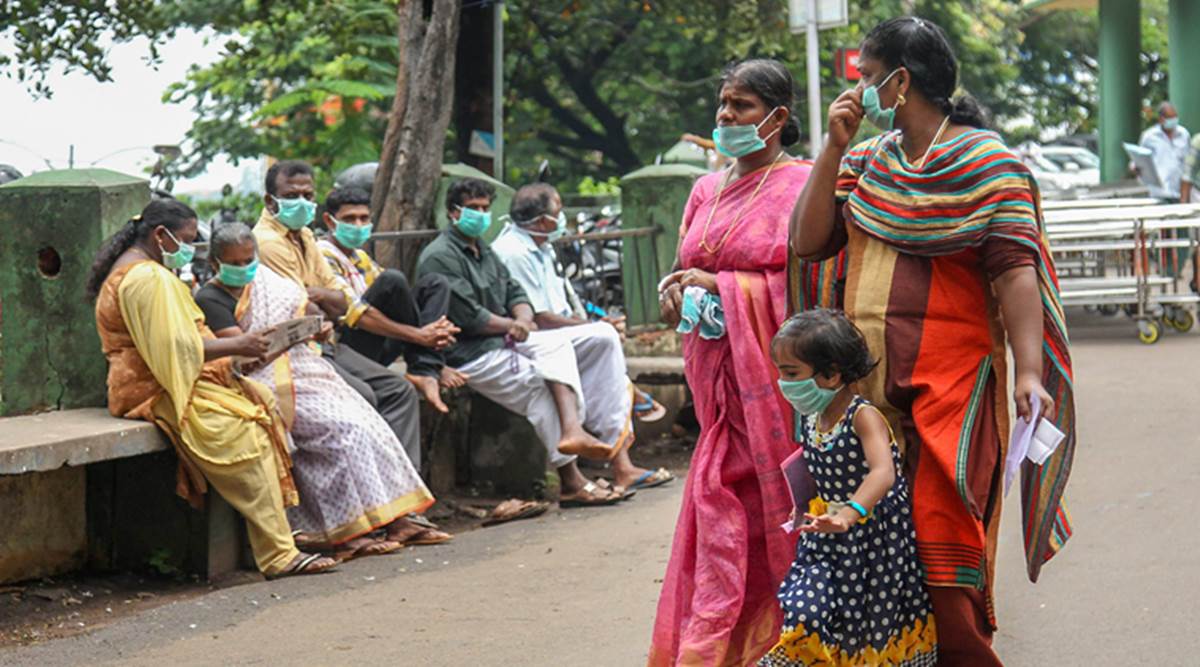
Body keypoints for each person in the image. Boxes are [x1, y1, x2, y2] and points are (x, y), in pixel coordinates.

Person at [789, 17, 1076, 666]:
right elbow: (809, 242)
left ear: (900, 81)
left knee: (943, 544)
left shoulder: (987, 162)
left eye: (864, 75)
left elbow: (1015, 271)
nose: (855, 87)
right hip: (864, 394)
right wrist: (832, 149)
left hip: (955, 389)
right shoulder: (864, 161)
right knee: (863, 545)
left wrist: (1029, 371)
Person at [650, 58, 813, 665]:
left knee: (765, 514)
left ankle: (780, 641)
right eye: (722, 105)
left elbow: (805, 284)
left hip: (774, 385)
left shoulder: (802, 183)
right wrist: (679, 294)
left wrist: (724, 287)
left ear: (777, 116)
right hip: (715, 385)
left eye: (740, 106)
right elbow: (681, 271)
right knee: (718, 510)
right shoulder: (704, 190)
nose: (725, 117)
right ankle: (716, 644)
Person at [86, 199, 337, 578]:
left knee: (263, 401)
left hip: (172, 378)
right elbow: (174, 349)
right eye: (186, 240)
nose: (190, 249)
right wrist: (238, 346)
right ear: (160, 236)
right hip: (153, 388)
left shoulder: (145, 272)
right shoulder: (145, 278)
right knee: (242, 433)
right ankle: (278, 554)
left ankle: (273, 539)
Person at [195, 224, 451, 559]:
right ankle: (346, 533)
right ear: (216, 263)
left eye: (249, 259)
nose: (246, 269)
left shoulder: (268, 283)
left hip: (303, 369)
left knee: (367, 422)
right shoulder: (210, 297)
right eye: (236, 262)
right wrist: (288, 338)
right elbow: (242, 356)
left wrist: (313, 327)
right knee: (342, 432)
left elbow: (316, 307)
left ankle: (398, 518)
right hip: (261, 382)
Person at [415, 177, 624, 507]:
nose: (481, 214)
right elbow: (470, 316)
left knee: (557, 348)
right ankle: (572, 474)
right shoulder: (441, 256)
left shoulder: (482, 249)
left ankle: (574, 446)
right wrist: (514, 324)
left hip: (505, 340)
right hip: (468, 352)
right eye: (473, 209)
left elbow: (515, 292)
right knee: (538, 384)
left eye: (485, 208)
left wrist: (523, 319)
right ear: (453, 213)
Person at [758, 310, 936, 666]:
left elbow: (883, 472)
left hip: (873, 540)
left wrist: (850, 514)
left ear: (831, 374)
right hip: (826, 535)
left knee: (870, 621)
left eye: (791, 373)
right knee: (807, 607)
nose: (783, 382)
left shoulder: (863, 415)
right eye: (780, 371)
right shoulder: (811, 416)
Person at [492, 182, 674, 491]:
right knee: (603, 341)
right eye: (558, 212)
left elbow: (559, 307)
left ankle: (622, 464)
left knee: (605, 343)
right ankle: (615, 451)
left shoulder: (543, 246)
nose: (562, 219)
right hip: (526, 340)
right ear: (540, 221)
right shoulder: (513, 253)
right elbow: (539, 316)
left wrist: (591, 323)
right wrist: (587, 327)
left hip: (558, 335)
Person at [253, 160, 427, 473]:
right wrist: (319, 301)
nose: (303, 202)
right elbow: (305, 311)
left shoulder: (303, 235)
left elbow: (339, 299)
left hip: (327, 344)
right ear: (270, 200)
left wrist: (320, 298)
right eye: (293, 195)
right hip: (293, 354)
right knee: (364, 397)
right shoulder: (267, 243)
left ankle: (405, 488)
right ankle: (374, 496)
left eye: (308, 194)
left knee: (398, 391)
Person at [316, 185, 462, 419]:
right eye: (349, 219)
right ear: (330, 221)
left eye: (364, 218)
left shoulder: (359, 256)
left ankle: (426, 367)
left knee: (435, 283)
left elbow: (399, 305)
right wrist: (421, 336)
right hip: (350, 346)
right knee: (393, 280)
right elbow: (358, 314)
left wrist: (432, 332)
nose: (358, 225)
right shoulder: (323, 254)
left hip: (380, 342)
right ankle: (427, 364)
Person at [1138, 101, 1190, 202]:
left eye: (1175, 117)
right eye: (1170, 118)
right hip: (1158, 193)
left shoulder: (1184, 135)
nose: (1174, 120)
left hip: (1179, 192)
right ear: (1161, 119)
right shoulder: (1149, 137)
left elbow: (1187, 165)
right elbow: (1141, 160)